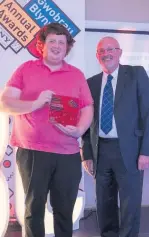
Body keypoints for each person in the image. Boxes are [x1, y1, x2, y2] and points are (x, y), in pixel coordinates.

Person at [0, 23, 93, 237]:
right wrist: (34, 104)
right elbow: (5, 103)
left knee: (64, 210)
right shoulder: (25, 69)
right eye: (52, 41)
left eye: (62, 42)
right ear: (42, 45)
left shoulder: (76, 75)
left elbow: (87, 107)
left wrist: (78, 129)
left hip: (68, 153)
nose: (57, 46)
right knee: (34, 210)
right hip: (33, 152)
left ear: (67, 47)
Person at [81, 36, 149, 237]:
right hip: (101, 150)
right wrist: (87, 153)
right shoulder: (91, 83)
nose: (106, 54)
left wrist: (146, 151)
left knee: (130, 203)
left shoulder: (136, 74)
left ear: (120, 52)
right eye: (101, 51)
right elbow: (87, 123)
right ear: (97, 56)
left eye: (110, 49)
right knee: (104, 202)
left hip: (130, 151)